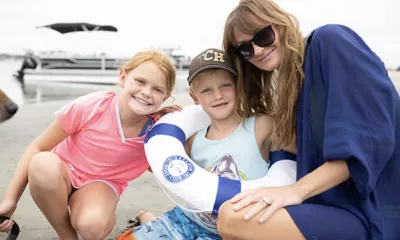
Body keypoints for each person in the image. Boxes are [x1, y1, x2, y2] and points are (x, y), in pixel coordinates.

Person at [215, 0, 400, 239]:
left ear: (280, 24)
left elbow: (367, 141)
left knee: (233, 218)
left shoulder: (330, 41)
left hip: (371, 209)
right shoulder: (292, 90)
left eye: (262, 36)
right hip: (331, 207)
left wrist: (296, 191)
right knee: (234, 212)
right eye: (245, 50)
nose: (258, 51)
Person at [0, 50, 180, 239]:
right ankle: (67, 236)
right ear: (123, 77)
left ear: (165, 97)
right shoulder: (93, 106)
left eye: (157, 89)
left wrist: (173, 128)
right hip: (61, 174)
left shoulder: (156, 131)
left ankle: (108, 212)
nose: (146, 92)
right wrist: (11, 200)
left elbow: (162, 169)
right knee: (41, 163)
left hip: (101, 185)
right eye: (140, 81)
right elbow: (38, 147)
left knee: (92, 226)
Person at [115, 48, 278, 240]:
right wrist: (156, 127)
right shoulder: (194, 140)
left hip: (234, 231)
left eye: (225, 85)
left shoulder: (261, 125)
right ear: (194, 98)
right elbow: (159, 167)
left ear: (239, 87)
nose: (217, 95)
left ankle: (146, 216)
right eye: (207, 90)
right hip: (187, 221)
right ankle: (146, 217)